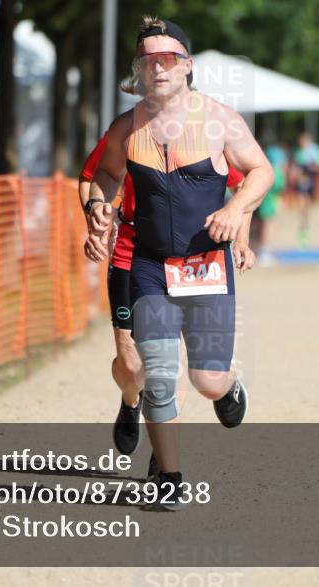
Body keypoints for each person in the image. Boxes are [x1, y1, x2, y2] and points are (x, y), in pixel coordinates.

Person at [86, 17, 273, 508]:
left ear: (187, 66)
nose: (158, 67)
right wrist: (98, 207)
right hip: (147, 265)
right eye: (148, 60)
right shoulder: (126, 128)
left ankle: (229, 386)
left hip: (204, 264)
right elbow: (105, 176)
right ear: (138, 71)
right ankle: (169, 477)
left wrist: (237, 210)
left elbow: (260, 171)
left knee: (205, 380)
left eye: (168, 58)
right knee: (160, 373)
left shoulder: (220, 121)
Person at [77, 135, 253, 458]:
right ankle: (131, 399)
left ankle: (165, 458)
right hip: (132, 252)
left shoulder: (208, 132)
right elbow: (92, 178)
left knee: (172, 364)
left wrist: (241, 239)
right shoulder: (130, 130)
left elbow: (244, 186)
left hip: (194, 256)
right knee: (131, 366)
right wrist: (94, 223)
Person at [250, 140, 288, 264]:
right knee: (267, 224)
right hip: (270, 200)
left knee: (261, 224)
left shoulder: (265, 167)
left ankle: (260, 248)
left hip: (265, 198)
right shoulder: (275, 169)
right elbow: (279, 185)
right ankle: (264, 250)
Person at [290, 132, 319, 247]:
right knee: (302, 207)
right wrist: (295, 175)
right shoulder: (299, 152)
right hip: (301, 184)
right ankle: (303, 229)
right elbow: (294, 168)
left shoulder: (316, 151)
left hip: (311, 183)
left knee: (306, 208)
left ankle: (305, 228)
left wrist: (314, 167)